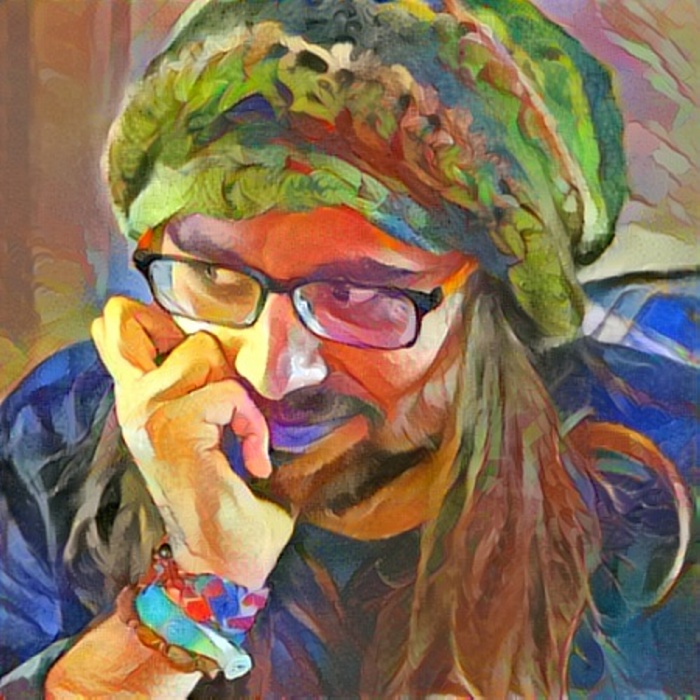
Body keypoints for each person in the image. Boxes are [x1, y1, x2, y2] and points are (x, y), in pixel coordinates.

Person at [0, 0, 696, 697]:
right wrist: (198, 588)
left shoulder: (654, 497)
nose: (271, 371)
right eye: (214, 274)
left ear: (493, 303)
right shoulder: (54, 444)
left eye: (356, 293)